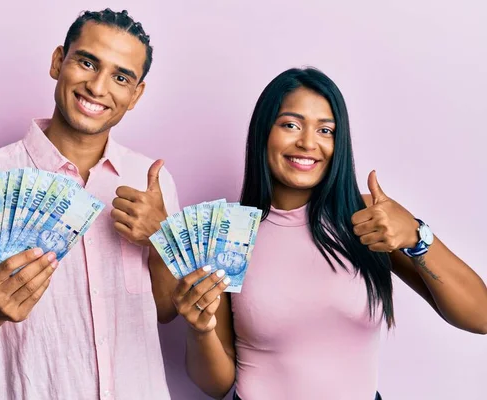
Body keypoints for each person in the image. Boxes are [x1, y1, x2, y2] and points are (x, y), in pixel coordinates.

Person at [171, 67, 487, 400]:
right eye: (291, 125)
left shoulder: (367, 219)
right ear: (264, 132)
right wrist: (199, 329)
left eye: (325, 130)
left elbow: (480, 317)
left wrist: (415, 236)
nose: (308, 142)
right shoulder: (230, 234)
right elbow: (216, 384)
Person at [0, 9, 180, 400]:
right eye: (87, 62)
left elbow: (163, 311)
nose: (97, 86)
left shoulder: (152, 182)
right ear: (59, 61)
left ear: (135, 94)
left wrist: (161, 244)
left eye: (121, 77)